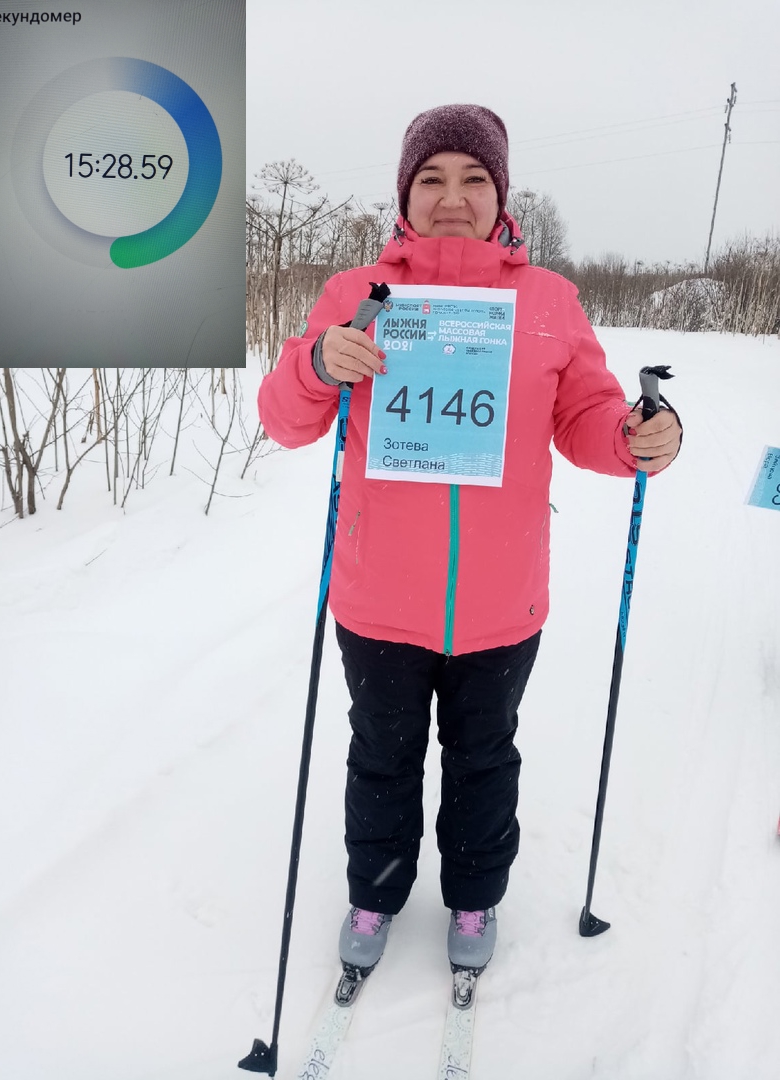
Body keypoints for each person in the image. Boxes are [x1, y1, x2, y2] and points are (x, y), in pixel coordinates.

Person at [257, 104, 682, 982]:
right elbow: (285, 419)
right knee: (381, 756)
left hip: (500, 602)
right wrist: (317, 363)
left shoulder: (549, 302)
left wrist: (635, 436)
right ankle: (375, 894)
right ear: (404, 194)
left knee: (484, 759)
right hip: (378, 597)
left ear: (501, 194)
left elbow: (588, 414)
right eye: (432, 179)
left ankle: (475, 896)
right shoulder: (358, 295)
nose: (452, 197)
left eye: (473, 179)